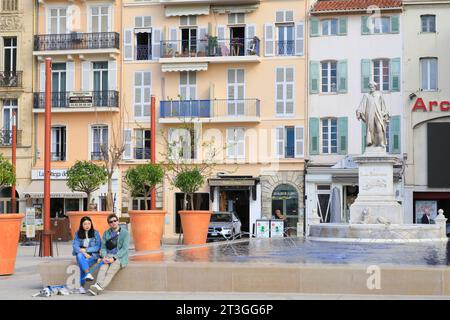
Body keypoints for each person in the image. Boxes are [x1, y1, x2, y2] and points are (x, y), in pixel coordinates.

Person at [88, 214, 129, 296]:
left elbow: (124, 249)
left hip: (119, 257)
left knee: (110, 272)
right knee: (103, 269)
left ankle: (98, 287)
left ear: (118, 221)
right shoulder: (106, 233)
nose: (113, 223)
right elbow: (103, 247)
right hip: (108, 255)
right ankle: (97, 286)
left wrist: (114, 258)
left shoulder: (125, 233)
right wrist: (104, 256)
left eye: (115, 221)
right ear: (109, 224)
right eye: (111, 222)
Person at [72, 216, 102, 294]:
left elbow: (97, 247)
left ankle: (81, 286)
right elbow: (75, 246)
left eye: (89, 223)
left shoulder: (95, 233)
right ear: (81, 225)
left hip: (93, 256)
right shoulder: (78, 233)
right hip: (82, 255)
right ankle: (88, 274)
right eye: (85, 224)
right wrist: (84, 253)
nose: (87, 225)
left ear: (91, 224)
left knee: (82, 263)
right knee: (79, 255)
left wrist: (86, 250)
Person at [356, 81, 390, 148]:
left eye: (373, 87)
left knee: (379, 128)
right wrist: (359, 111)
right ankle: (373, 143)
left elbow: (383, 105)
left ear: (375, 87)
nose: (371, 88)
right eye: (370, 87)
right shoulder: (366, 95)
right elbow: (362, 105)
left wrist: (385, 113)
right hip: (370, 114)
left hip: (378, 113)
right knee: (371, 130)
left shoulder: (379, 95)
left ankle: (381, 143)